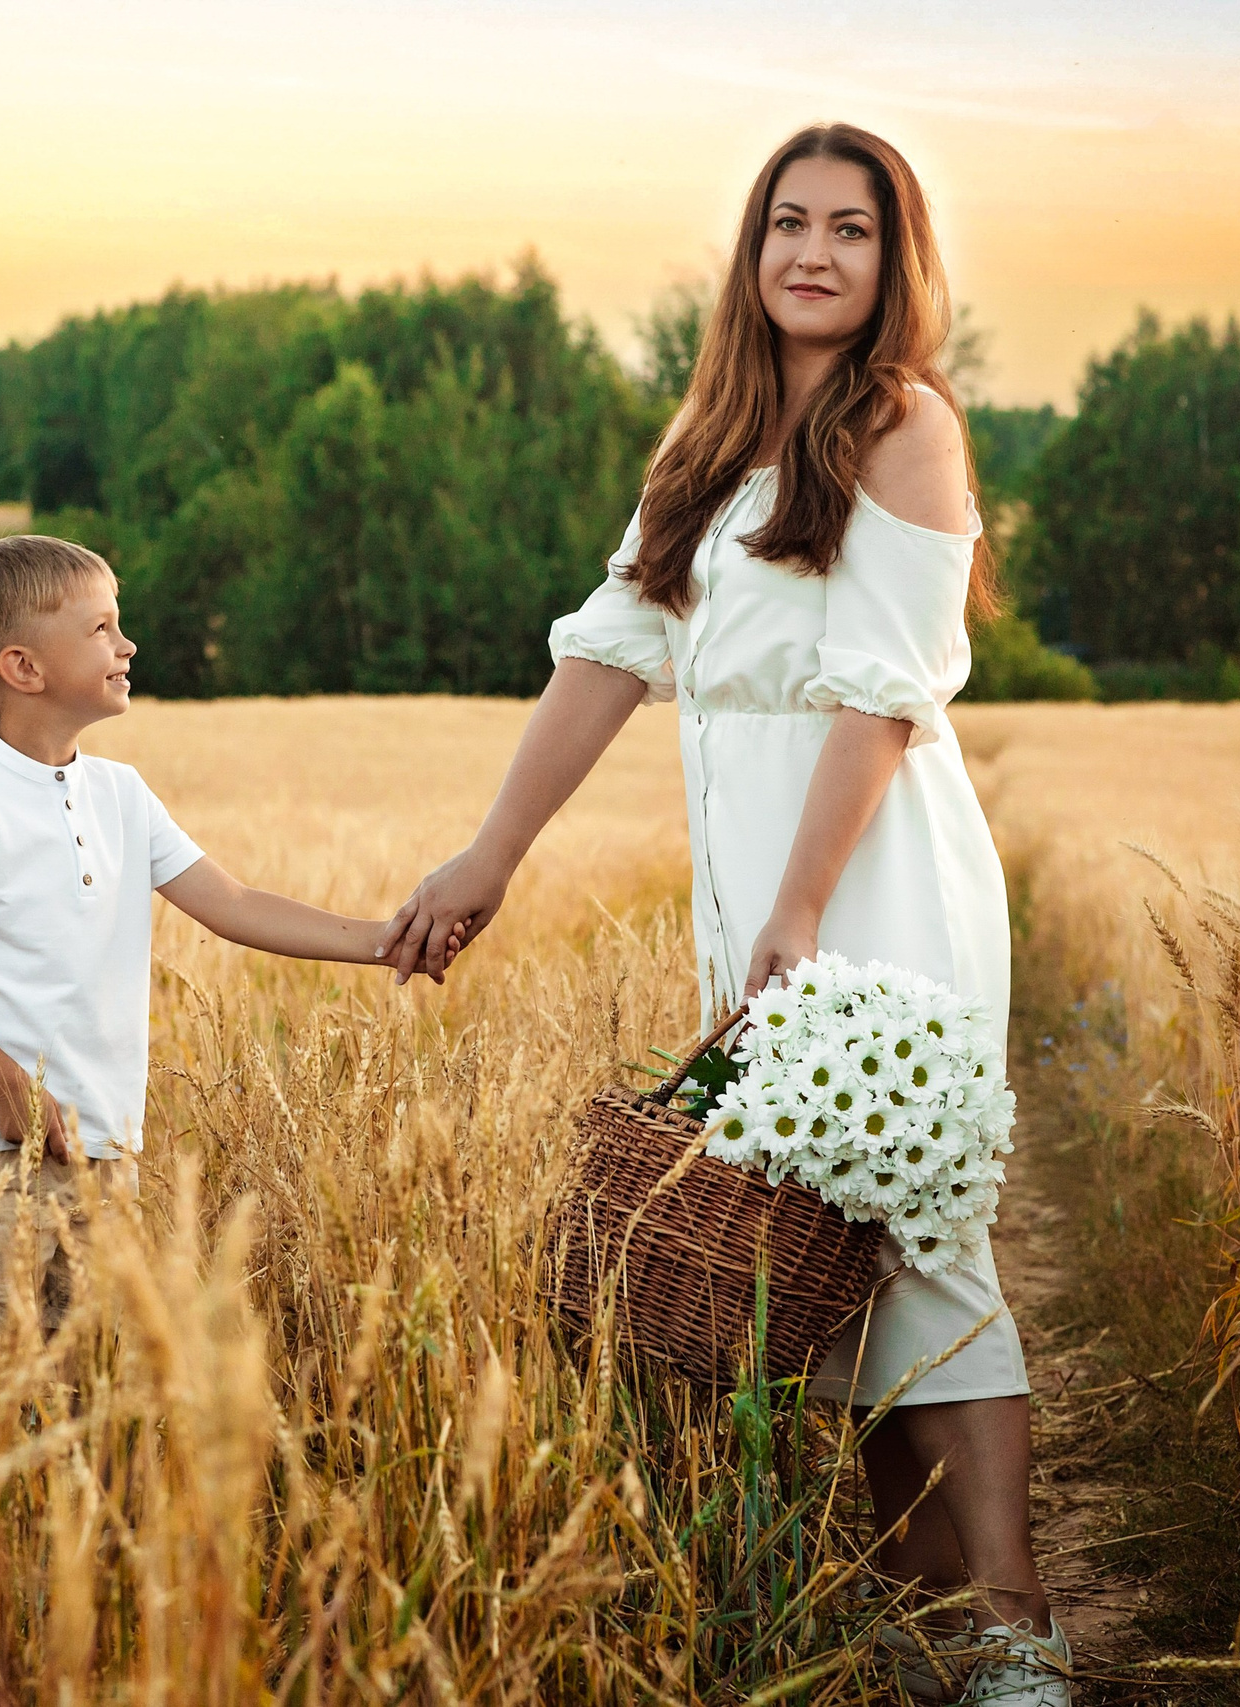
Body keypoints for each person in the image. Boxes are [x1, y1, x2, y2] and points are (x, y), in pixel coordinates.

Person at [373, 124, 1068, 1704]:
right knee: (815, 1263)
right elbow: (609, 654)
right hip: (762, 892)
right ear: (751, 254)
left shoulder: (906, 428)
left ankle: (1018, 1633)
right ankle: (919, 1614)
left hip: (865, 873)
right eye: (788, 225)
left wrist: (804, 904)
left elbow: (882, 697)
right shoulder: (709, 441)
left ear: (899, 263)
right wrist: (495, 851)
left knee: (920, 1237)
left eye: (853, 230)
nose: (815, 253)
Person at [0, 535, 422, 1330]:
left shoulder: (122, 795)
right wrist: (7, 1089)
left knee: (89, 1387)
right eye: (100, 629)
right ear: (23, 669)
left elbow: (233, 903)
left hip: (105, 1147)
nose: (126, 643)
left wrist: (386, 939)